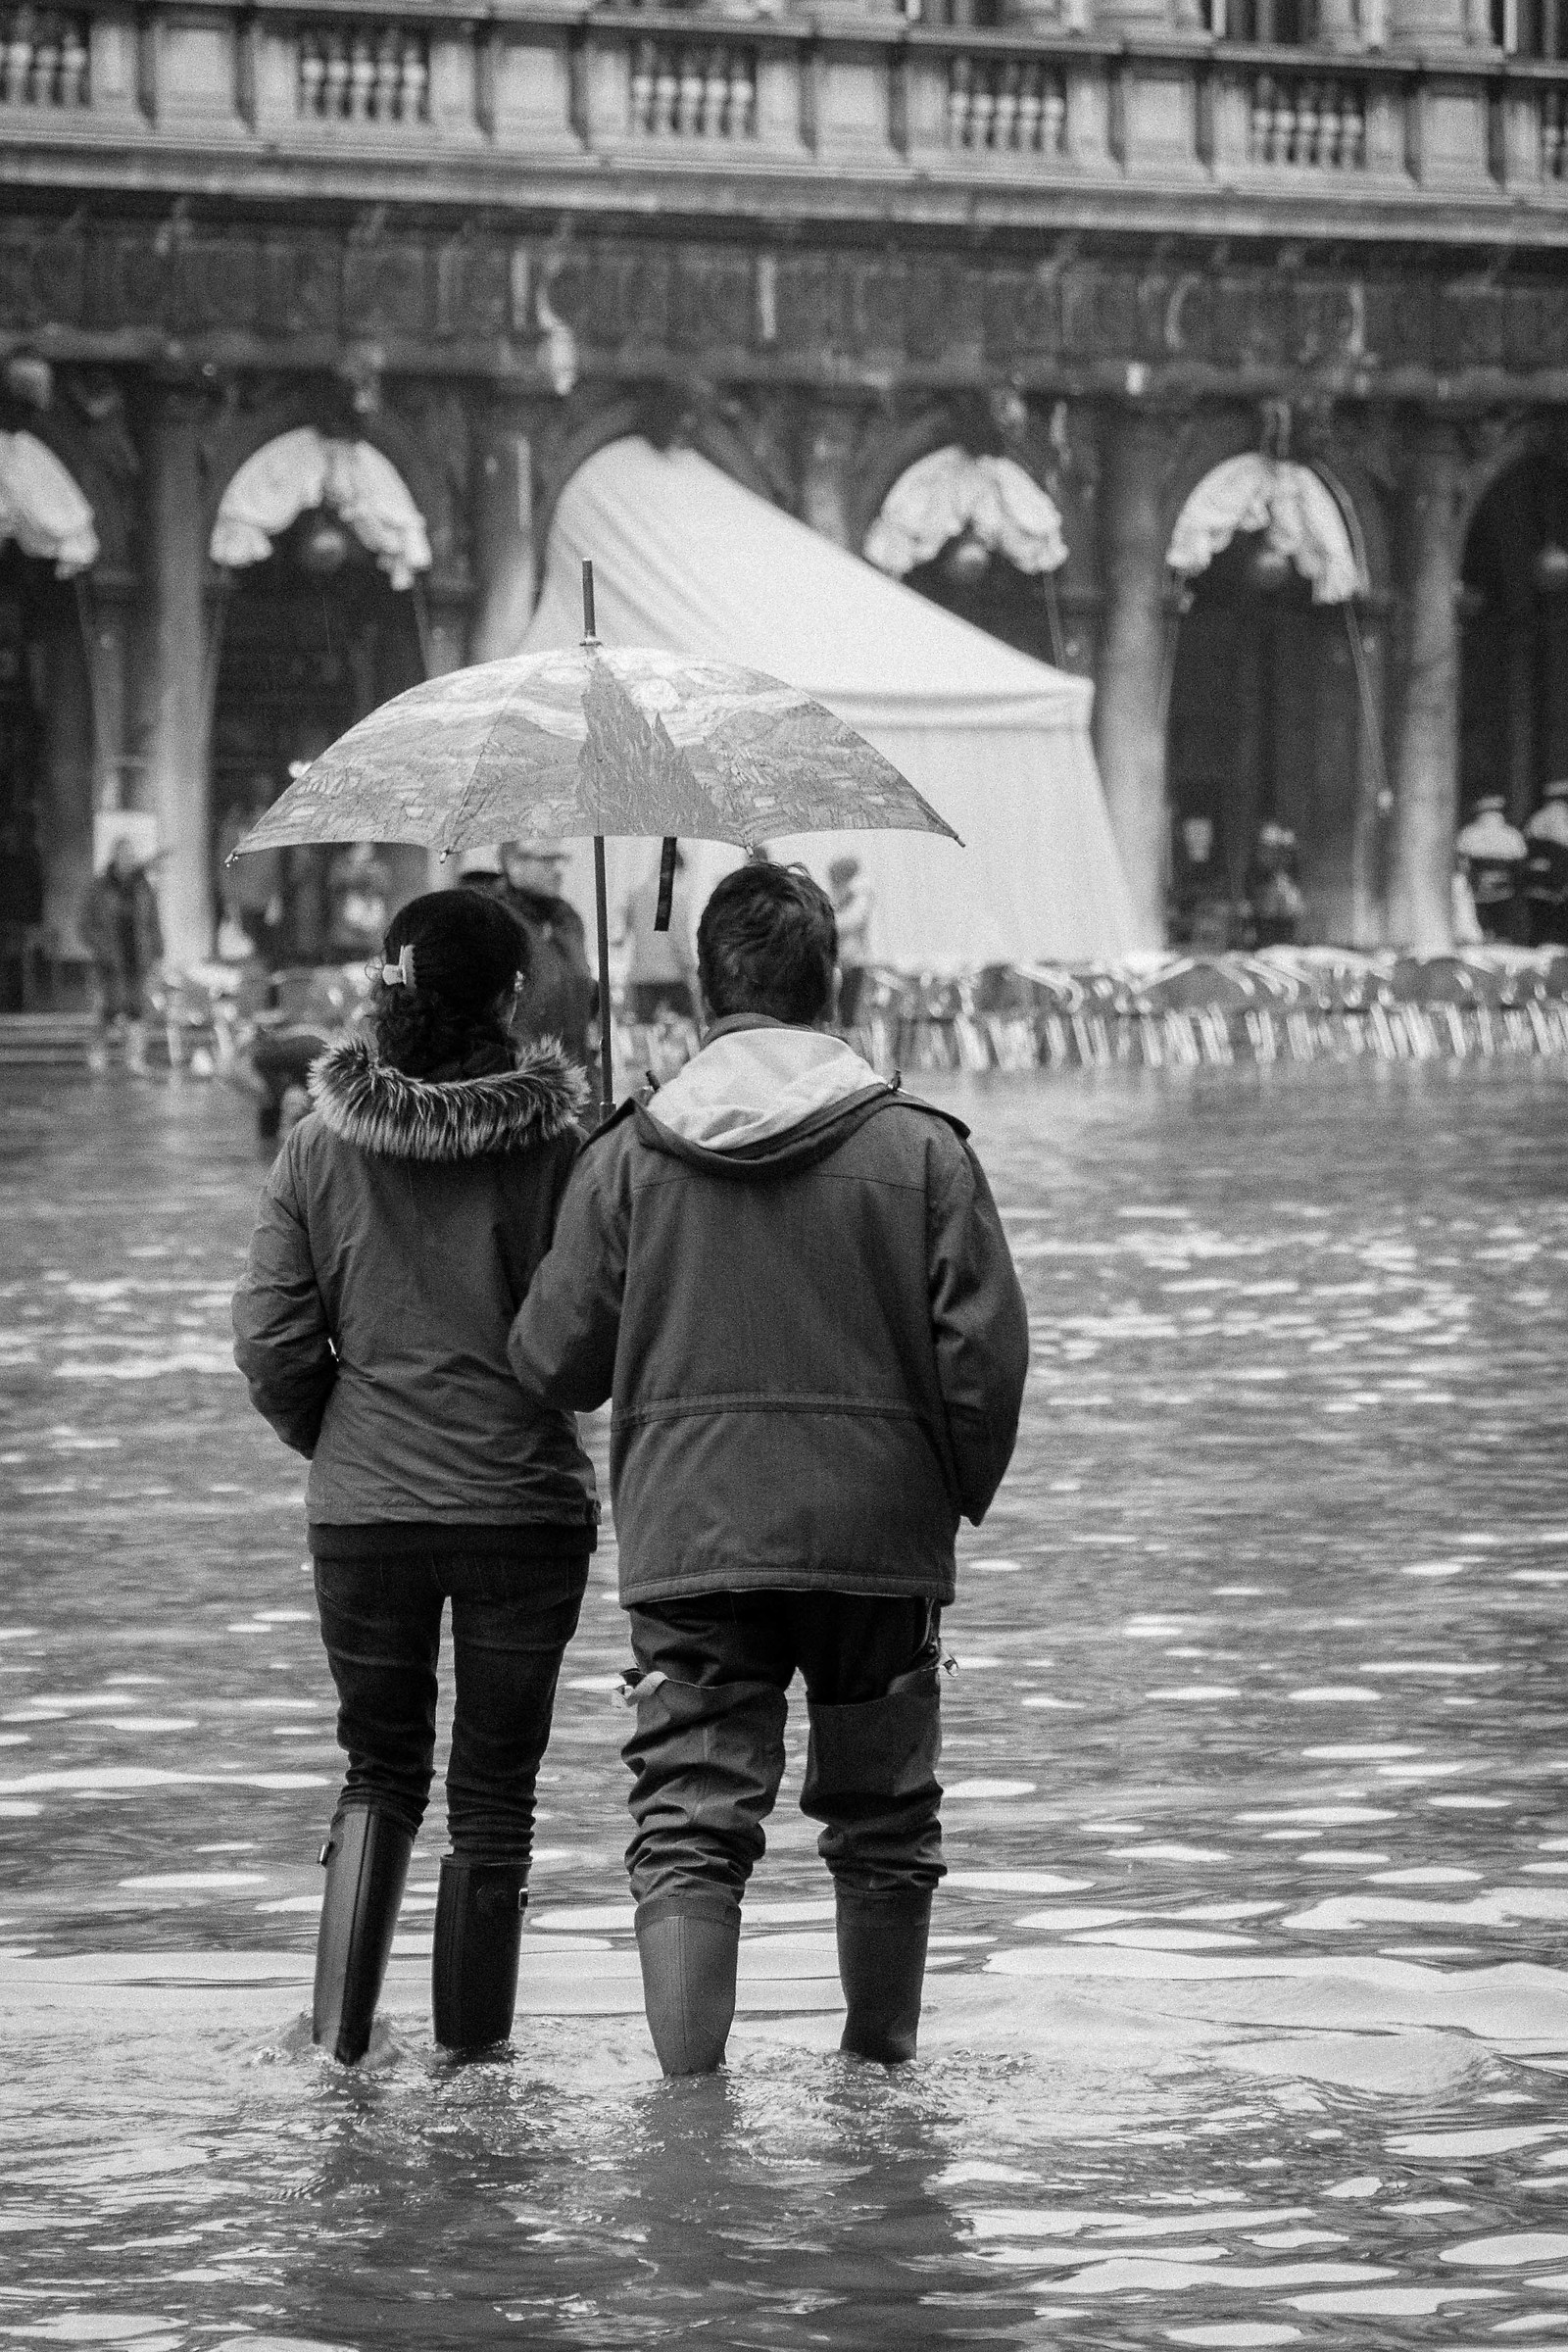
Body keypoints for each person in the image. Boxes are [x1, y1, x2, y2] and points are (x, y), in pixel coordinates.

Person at [509, 862, 1030, 2076]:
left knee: (689, 1821)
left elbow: (551, 1360)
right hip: (876, 1537)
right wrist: (942, 1496)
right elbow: (983, 1362)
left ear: (705, 991)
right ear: (829, 985)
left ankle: (688, 2125)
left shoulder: (630, 1153)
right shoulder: (921, 1152)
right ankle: (880, 2090)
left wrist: (584, 1192)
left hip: (692, 1538)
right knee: (885, 1821)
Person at [231, 889, 599, 2065]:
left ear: (390, 988)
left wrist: (342, 1439)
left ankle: (339, 2053)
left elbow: (273, 1342)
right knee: (495, 1799)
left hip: (366, 1512)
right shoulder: (564, 1150)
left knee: (376, 1770)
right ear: (510, 999)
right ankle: (473, 2071)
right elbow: (586, 1354)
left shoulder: (317, 1142)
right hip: (522, 1513)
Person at [498, 840, 597, 1068]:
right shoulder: (498, 921)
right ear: (514, 864)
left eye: (560, 861)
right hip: (527, 1071)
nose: (558, 870)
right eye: (546, 861)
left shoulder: (568, 919)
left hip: (576, 1067)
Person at [81, 834, 163, 1072]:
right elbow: (86, 924)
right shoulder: (99, 887)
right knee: (107, 1007)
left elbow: (153, 922)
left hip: (138, 956)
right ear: (115, 857)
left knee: (138, 1008)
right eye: (123, 854)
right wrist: (100, 947)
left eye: (131, 854)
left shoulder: (143, 887)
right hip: (109, 959)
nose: (129, 859)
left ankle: (135, 1057)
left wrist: (157, 949)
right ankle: (97, 1052)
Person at [621, 848, 698, 1024]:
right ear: (678, 870)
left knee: (646, 1033)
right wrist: (691, 971)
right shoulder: (676, 898)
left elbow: (622, 934)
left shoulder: (636, 895)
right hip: (671, 977)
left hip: (641, 978)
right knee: (680, 1037)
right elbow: (680, 941)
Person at [217, 776, 285, 967]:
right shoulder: (236, 826)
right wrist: (230, 900)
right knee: (246, 955)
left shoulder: (272, 824)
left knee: (266, 956)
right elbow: (227, 864)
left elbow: (274, 864)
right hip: (243, 901)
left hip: (265, 900)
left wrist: (275, 897)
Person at [1456, 796, 1528, 944]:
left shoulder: (1468, 833)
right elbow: (1521, 860)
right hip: (1505, 891)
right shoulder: (1512, 834)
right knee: (1503, 929)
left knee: (1479, 926)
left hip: (1477, 891)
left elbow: (1462, 864)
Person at [827, 856, 875, 1028]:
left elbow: (853, 921)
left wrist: (828, 923)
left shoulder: (859, 894)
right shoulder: (838, 896)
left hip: (854, 962)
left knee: (850, 1014)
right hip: (838, 962)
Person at [325, 841, 391, 960]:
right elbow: (337, 883)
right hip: (346, 931)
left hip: (371, 929)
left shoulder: (378, 868)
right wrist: (357, 867)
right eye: (361, 847)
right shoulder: (341, 866)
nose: (366, 850)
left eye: (368, 846)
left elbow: (384, 886)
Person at [1524, 779, 1568, 950]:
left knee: (1538, 924)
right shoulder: (1562, 818)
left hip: (1535, 878)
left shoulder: (1536, 817)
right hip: (1556, 878)